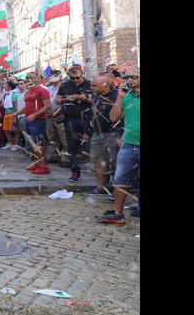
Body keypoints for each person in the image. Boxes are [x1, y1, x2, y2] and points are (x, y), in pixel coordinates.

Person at [97, 67, 140, 224]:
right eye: (126, 77)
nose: (129, 79)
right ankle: (117, 213)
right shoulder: (126, 96)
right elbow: (114, 117)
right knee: (120, 178)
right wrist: (119, 98)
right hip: (129, 144)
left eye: (133, 76)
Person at [83, 74, 121, 196]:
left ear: (104, 85)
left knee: (115, 162)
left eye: (94, 85)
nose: (91, 87)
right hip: (97, 134)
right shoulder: (96, 97)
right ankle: (101, 187)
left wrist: (120, 134)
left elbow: (122, 116)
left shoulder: (116, 97)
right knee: (98, 160)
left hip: (112, 133)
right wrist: (87, 131)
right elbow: (91, 115)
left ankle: (117, 190)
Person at [56, 66, 93, 182]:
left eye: (77, 77)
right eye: (72, 78)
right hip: (71, 118)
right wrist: (67, 99)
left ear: (82, 74)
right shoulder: (64, 85)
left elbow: (97, 100)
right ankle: (75, 171)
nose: (75, 80)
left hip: (88, 118)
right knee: (72, 146)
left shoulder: (90, 84)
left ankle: (100, 172)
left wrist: (85, 99)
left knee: (92, 145)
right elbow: (57, 100)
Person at [12, 72, 52, 174]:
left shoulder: (42, 90)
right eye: (27, 77)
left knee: (38, 142)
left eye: (32, 77)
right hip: (29, 120)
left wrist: (34, 115)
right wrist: (17, 113)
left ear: (37, 79)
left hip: (38, 120)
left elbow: (47, 106)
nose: (29, 79)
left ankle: (44, 166)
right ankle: (37, 163)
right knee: (33, 142)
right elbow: (28, 107)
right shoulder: (29, 91)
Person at [45, 72, 70, 167]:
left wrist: (60, 111)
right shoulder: (49, 88)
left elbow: (66, 101)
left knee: (64, 138)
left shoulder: (64, 87)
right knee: (52, 137)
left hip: (60, 115)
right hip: (50, 115)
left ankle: (68, 158)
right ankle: (55, 156)